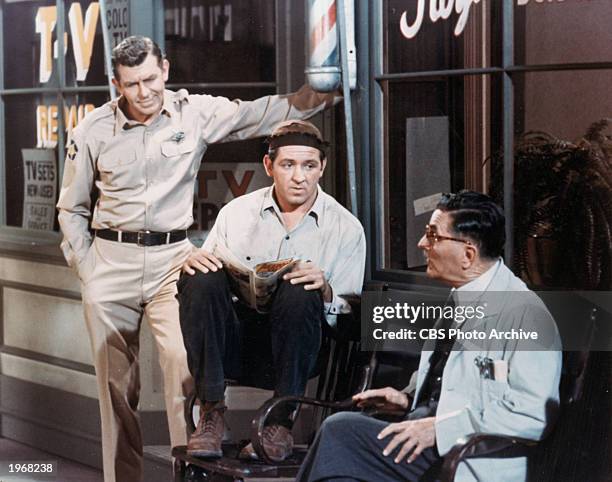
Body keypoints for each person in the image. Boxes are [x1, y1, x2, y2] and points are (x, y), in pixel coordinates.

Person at [56, 35, 339, 482]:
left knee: (185, 373)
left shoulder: (196, 112)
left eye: (151, 79)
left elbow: (255, 114)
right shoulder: (92, 130)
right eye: (131, 85)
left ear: (165, 70)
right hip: (110, 260)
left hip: (172, 258)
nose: (144, 92)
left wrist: (314, 98)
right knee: (115, 391)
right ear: (117, 84)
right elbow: (70, 209)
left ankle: (188, 477)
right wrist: (88, 269)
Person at [295, 191, 562, 482]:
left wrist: (438, 428)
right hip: (428, 441)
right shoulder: (460, 297)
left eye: (433, 236)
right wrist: (407, 399)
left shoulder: (526, 315)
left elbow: (533, 415)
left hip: (466, 456)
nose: (422, 244)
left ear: (468, 254)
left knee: (340, 431)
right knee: (340, 472)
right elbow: (452, 385)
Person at [177, 120, 366, 462]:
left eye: (309, 166)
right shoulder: (237, 213)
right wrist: (198, 263)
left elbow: (352, 321)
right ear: (269, 166)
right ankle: (212, 412)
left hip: (298, 353)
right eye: (288, 165)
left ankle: (280, 422)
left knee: (300, 288)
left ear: (321, 167)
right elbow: (210, 294)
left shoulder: (345, 227)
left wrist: (325, 291)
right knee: (199, 276)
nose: (299, 177)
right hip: (238, 348)